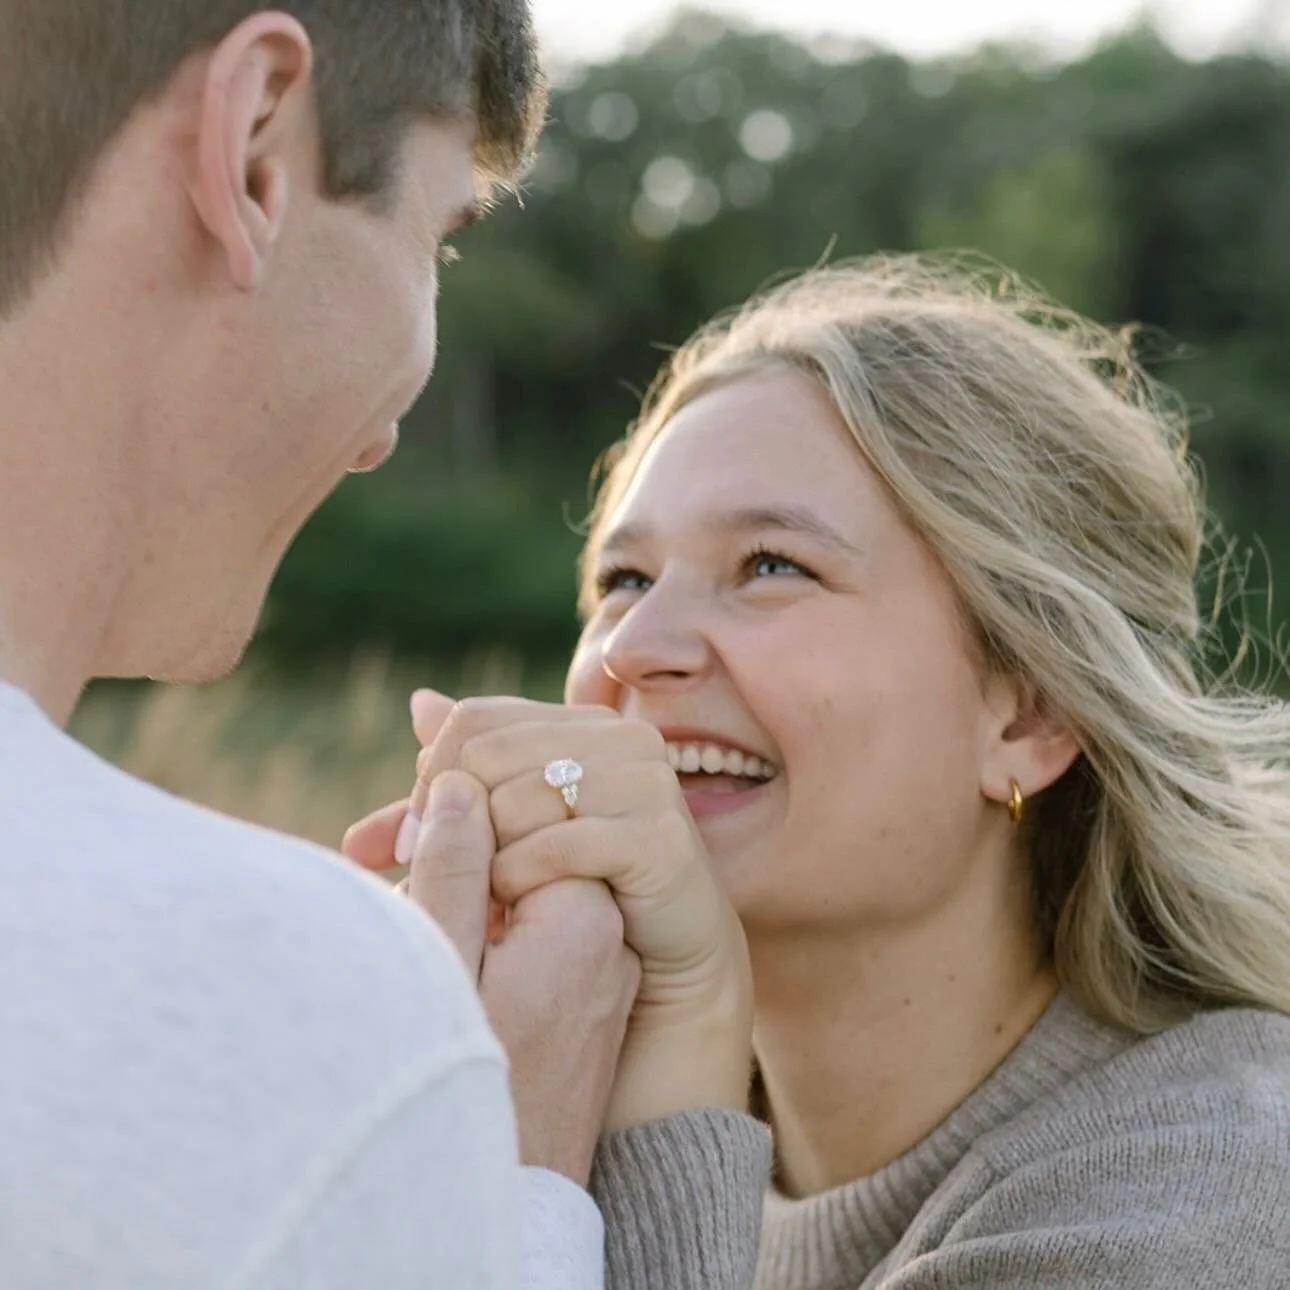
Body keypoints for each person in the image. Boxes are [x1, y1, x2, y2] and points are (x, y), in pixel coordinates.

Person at [348, 254, 1290, 1287]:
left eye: (770, 566)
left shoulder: (1212, 1193)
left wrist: (516, 1157)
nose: (631, 648)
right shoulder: (571, 1085)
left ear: (1028, 711)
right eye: (623, 578)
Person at [0, 3, 677, 1286]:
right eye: (436, 243)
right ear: (254, 146)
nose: (381, 441)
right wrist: (500, 1158)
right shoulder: (283, 1012)